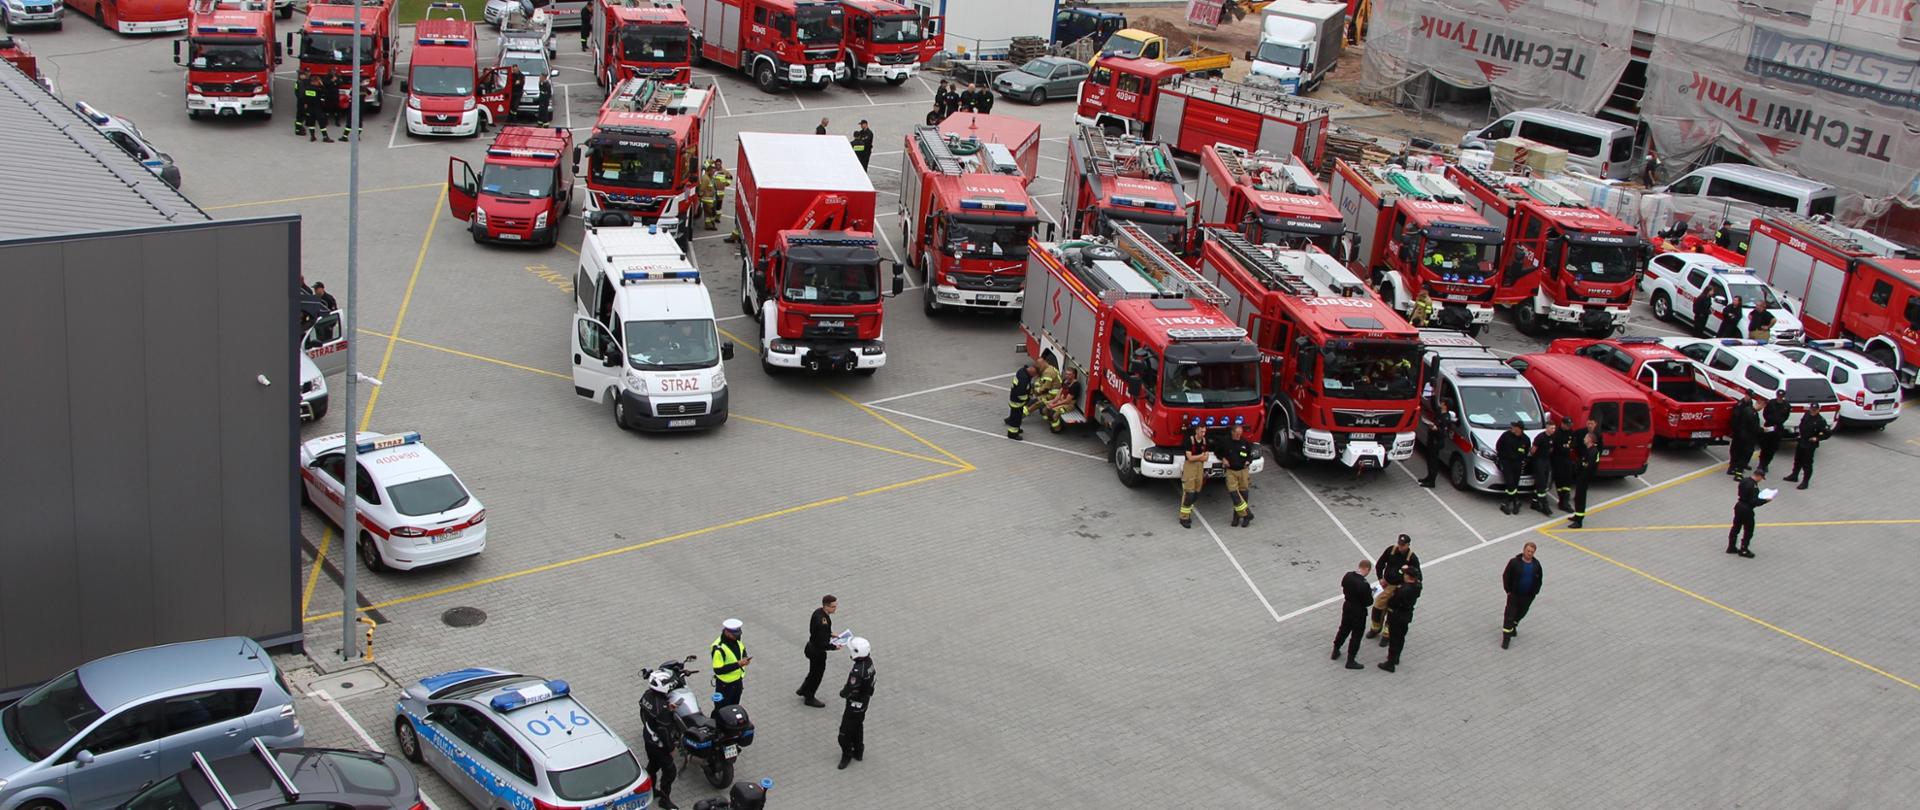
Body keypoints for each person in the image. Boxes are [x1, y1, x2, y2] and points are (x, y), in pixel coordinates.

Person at [639, 670, 683, 810]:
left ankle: (650, 788)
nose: (671, 685)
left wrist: (667, 708)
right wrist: (670, 748)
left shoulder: (647, 695)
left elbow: (649, 713)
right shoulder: (662, 708)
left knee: (653, 765)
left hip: (648, 737)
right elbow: (664, 731)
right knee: (670, 771)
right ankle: (664, 800)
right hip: (658, 744)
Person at [1368, 534, 1420, 642]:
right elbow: (1380, 564)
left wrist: (1407, 580)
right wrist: (1380, 578)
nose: (1400, 547)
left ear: (1408, 545)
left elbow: (1418, 576)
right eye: (1399, 544)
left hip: (1398, 589)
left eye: (1403, 545)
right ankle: (1375, 628)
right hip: (1386, 585)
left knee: (1392, 612)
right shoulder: (1391, 550)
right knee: (1377, 607)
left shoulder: (1412, 558)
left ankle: (1387, 635)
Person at [837, 637, 875, 769]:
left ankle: (846, 755)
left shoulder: (858, 671)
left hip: (854, 705)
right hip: (864, 703)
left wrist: (843, 693)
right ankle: (859, 751)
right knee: (858, 726)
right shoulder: (869, 663)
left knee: (844, 733)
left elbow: (850, 688)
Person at [796, 595, 840, 707]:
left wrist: (830, 634)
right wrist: (835, 647)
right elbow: (822, 643)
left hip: (811, 646)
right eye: (833, 607)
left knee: (812, 672)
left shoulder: (818, 613)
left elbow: (817, 632)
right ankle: (809, 697)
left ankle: (803, 689)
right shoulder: (823, 622)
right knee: (817, 675)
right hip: (817, 652)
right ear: (826, 606)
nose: (835, 609)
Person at [1500, 542, 1543, 649]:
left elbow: (1539, 580)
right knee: (1509, 616)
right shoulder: (1514, 563)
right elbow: (1506, 576)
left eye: (1532, 552)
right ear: (1524, 550)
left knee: (1521, 613)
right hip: (1514, 595)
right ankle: (1506, 638)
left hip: (1528, 596)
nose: (1529, 553)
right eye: (1528, 551)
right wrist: (1508, 590)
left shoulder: (1536, 565)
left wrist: (1535, 592)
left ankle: (1514, 625)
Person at [1331, 559, 1372, 670]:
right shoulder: (1364, 585)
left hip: (1347, 606)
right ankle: (1351, 660)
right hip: (1359, 611)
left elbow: (1343, 585)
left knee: (1343, 628)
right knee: (1356, 635)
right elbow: (1369, 602)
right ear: (1367, 569)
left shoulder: (1348, 576)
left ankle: (1335, 650)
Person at [1377, 571, 1421, 672]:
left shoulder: (1403, 590)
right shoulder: (1417, 586)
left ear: (1409, 577)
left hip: (1397, 616)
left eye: (1406, 574)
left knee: (1394, 639)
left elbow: (1393, 602)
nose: (1404, 576)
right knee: (1401, 638)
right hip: (1407, 615)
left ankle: (1390, 664)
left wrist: (1391, 600)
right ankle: (1396, 657)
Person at [1216, 422, 1257, 526]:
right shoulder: (1225, 441)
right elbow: (1218, 452)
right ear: (1232, 432)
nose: (1239, 436)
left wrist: (1248, 461)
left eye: (1240, 434)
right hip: (1231, 471)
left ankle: (1240, 518)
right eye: (1237, 434)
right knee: (1234, 494)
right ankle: (1246, 514)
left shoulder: (1245, 442)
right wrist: (1223, 458)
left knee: (1243, 495)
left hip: (1243, 471)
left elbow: (1250, 455)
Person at [1782, 409, 1829, 489]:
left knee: (1807, 463)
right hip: (1802, 441)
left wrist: (1817, 438)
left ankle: (1805, 481)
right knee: (1798, 460)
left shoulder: (1820, 420)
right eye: (1812, 409)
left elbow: (1827, 433)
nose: (1813, 411)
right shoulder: (1807, 414)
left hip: (1810, 444)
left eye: (1815, 410)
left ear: (1818, 410)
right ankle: (1794, 475)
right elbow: (1802, 424)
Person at [1727, 468, 1768, 557]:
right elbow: (1754, 502)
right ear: (1758, 476)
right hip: (1747, 510)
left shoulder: (1744, 480)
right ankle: (1744, 549)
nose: (1761, 480)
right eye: (1761, 478)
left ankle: (1731, 546)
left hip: (1739, 506)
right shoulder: (1754, 486)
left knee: (1736, 527)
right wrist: (1765, 501)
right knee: (1749, 530)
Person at [710, 619, 750, 709]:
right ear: (727, 633)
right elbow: (718, 670)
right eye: (735, 635)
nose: (737, 637)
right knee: (721, 710)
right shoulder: (718, 648)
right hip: (724, 686)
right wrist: (738, 664)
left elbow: (742, 649)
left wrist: (745, 657)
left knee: (734, 707)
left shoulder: (736, 640)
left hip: (737, 682)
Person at [1566, 430, 1601, 528]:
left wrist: (1579, 466)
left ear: (1590, 440)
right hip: (1582, 477)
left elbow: (1587, 466)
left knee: (1580, 498)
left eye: (1586, 437)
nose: (1584, 439)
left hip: (1584, 478)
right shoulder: (1590, 450)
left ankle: (1579, 521)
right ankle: (1577, 516)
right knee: (1578, 497)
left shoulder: (1592, 452)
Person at [1177, 424, 1210, 529]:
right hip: (1190, 468)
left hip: (1200, 468)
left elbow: (1206, 458)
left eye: (1204, 432)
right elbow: (1190, 458)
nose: (1203, 434)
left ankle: (1188, 512)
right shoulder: (1189, 441)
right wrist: (1200, 456)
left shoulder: (1205, 442)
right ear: (1196, 431)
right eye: (1201, 431)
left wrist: (1198, 457)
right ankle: (1184, 517)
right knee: (1189, 493)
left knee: (1197, 492)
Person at [1494, 421, 1531, 515]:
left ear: (1520, 430)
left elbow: (1526, 451)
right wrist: (1503, 457)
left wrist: (1522, 460)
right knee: (1510, 482)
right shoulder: (1506, 435)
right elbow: (1498, 446)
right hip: (1506, 462)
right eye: (1514, 428)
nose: (1514, 429)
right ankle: (1516, 501)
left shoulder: (1526, 439)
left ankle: (1506, 503)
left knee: (1514, 484)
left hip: (1517, 463)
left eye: (1516, 428)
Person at [1727, 393, 1762, 477]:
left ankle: (1738, 467)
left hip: (1744, 435)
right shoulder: (1742, 406)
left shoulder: (1750, 408)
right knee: (1738, 452)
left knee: (1742, 453)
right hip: (1741, 434)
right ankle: (1735, 470)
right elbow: (1736, 419)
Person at [1527, 420, 1558, 516]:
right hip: (1539, 461)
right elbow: (1533, 450)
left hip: (1546, 461)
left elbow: (1551, 449)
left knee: (1544, 481)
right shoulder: (1540, 437)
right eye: (1552, 428)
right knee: (1541, 484)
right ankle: (1545, 506)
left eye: (1554, 428)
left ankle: (1534, 502)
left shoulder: (1553, 437)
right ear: (1547, 428)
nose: (1553, 430)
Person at [1756, 391, 1789, 475]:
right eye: (1779, 396)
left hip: (1778, 429)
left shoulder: (1786, 405)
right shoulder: (1771, 403)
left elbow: (1786, 416)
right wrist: (1770, 421)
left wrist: (1778, 423)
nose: (1780, 397)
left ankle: (1766, 464)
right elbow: (1765, 413)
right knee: (1765, 447)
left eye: (1781, 396)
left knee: (1772, 449)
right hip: (1769, 426)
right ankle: (1761, 464)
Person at [1041, 367, 1081, 434]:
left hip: (1068, 405)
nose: (1067, 376)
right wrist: (1052, 401)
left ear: (1074, 375)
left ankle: (1058, 429)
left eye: (1069, 375)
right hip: (1061, 401)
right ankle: (1053, 423)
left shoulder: (1075, 386)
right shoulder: (1065, 381)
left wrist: (1054, 405)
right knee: (1044, 409)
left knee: (1054, 414)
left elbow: (1067, 401)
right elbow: (1059, 394)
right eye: (1066, 374)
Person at [1005, 360, 1037, 440]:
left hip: (1014, 398)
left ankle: (1015, 426)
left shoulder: (1022, 371)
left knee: (1015, 415)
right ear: (1032, 372)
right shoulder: (1024, 379)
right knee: (1016, 418)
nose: (1034, 377)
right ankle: (1012, 433)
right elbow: (1021, 393)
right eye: (1034, 375)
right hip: (1017, 402)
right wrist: (1027, 398)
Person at [1550, 416, 1576, 511]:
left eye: (1570, 425)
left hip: (1567, 460)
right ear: (1562, 424)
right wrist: (1566, 447)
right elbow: (1558, 447)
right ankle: (1562, 501)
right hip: (1558, 461)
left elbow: (1572, 443)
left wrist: (1567, 447)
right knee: (1560, 481)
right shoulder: (1557, 434)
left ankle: (1565, 501)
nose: (1569, 427)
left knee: (1568, 480)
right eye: (1567, 425)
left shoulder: (1571, 433)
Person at [300, 74, 330, 142]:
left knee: (311, 123)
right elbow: (324, 95)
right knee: (322, 124)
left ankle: (312, 136)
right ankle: (325, 137)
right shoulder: (318, 89)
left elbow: (303, 98)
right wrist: (322, 85)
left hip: (310, 108)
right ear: (317, 81)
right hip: (318, 108)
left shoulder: (307, 88)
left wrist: (306, 104)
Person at [704, 160, 731, 231]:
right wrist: (711, 161)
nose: (717, 165)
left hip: (720, 193)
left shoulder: (724, 172)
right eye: (716, 164)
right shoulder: (713, 171)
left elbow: (730, 178)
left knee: (718, 207)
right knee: (712, 209)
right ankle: (710, 222)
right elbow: (705, 163)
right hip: (712, 194)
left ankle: (717, 218)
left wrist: (725, 184)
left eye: (719, 164)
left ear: (721, 164)